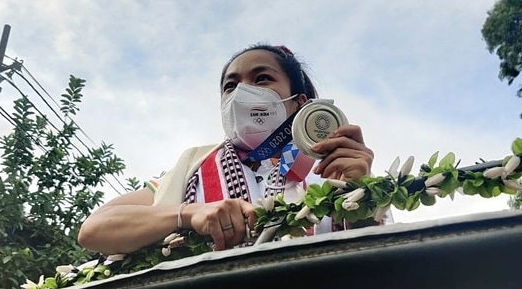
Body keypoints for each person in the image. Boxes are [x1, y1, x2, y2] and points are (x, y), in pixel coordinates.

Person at [77, 44, 374, 256]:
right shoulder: (191, 168)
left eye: (262, 79)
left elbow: (375, 269)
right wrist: (189, 214)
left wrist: (362, 192)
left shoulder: (333, 166)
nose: (242, 92)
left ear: (299, 101)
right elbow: (94, 229)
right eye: (231, 86)